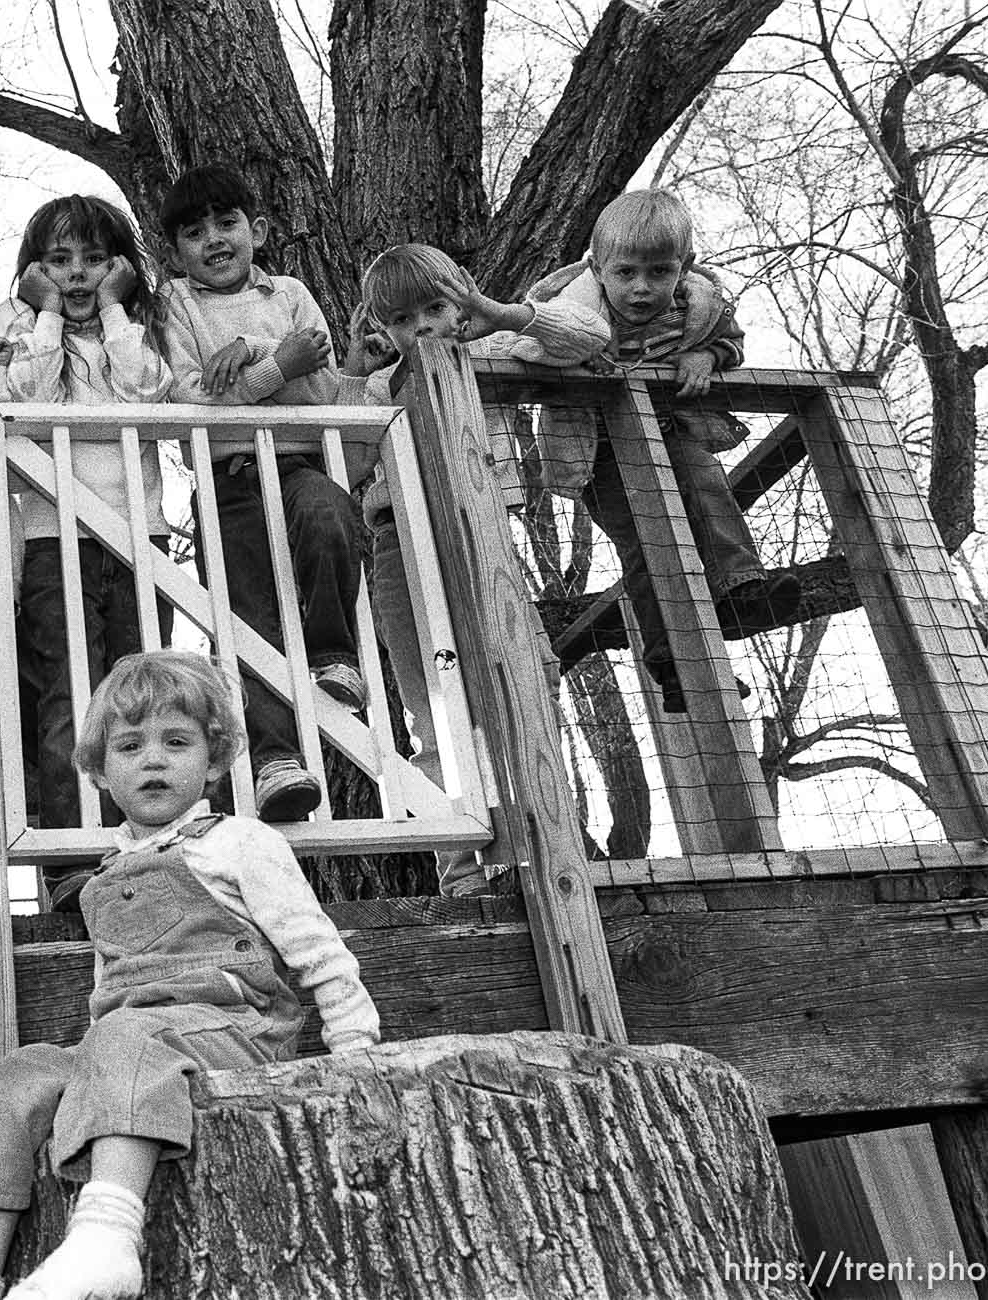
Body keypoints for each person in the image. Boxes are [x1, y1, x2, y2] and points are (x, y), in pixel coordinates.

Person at [0, 650, 383, 1300]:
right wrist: (89, 1068)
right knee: (11, 1079)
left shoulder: (239, 842)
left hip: (234, 1033)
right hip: (132, 1042)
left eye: (176, 742)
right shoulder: (106, 874)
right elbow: (113, 991)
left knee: (127, 1036)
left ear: (214, 759)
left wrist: (355, 1046)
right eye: (130, 745)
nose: (153, 759)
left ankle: (106, 1238)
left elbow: (315, 947)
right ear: (101, 771)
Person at [348, 243, 608, 895]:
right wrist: (357, 367)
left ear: (462, 296)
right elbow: (346, 458)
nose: (425, 328)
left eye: (436, 308)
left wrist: (502, 314)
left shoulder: (488, 353)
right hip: (403, 550)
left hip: (482, 546)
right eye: (405, 320)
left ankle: (552, 841)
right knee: (434, 706)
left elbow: (585, 338)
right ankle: (462, 866)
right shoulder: (379, 386)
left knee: (523, 678)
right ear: (384, 329)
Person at [527, 188, 801, 713]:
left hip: (670, 427)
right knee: (647, 543)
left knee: (706, 486)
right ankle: (673, 665)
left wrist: (708, 353)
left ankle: (742, 589)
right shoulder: (571, 307)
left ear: (685, 267)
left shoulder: (699, 306)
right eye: (626, 273)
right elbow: (534, 345)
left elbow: (733, 340)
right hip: (595, 448)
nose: (642, 288)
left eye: (659, 272)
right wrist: (577, 368)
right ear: (598, 267)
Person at [155, 163, 362, 822]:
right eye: (194, 232)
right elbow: (194, 397)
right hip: (226, 480)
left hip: (300, 463)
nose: (214, 240)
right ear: (176, 250)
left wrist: (254, 350)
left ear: (258, 230)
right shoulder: (173, 304)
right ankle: (275, 760)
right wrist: (281, 366)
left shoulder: (290, 291)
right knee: (246, 620)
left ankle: (333, 652)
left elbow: (324, 387)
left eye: (227, 223)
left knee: (331, 516)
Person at [0, 195, 172, 908]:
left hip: (139, 535)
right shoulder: (18, 324)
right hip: (50, 535)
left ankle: (150, 852)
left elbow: (146, 392)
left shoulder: (141, 327)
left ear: (120, 266)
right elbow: (23, 395)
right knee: (69, 697)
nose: (76, 273)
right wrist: (46, 317)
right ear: (34, 268)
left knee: (145, 696)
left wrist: (118, 312)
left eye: (93, 259)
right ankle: (73, 856)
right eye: (59, 259)